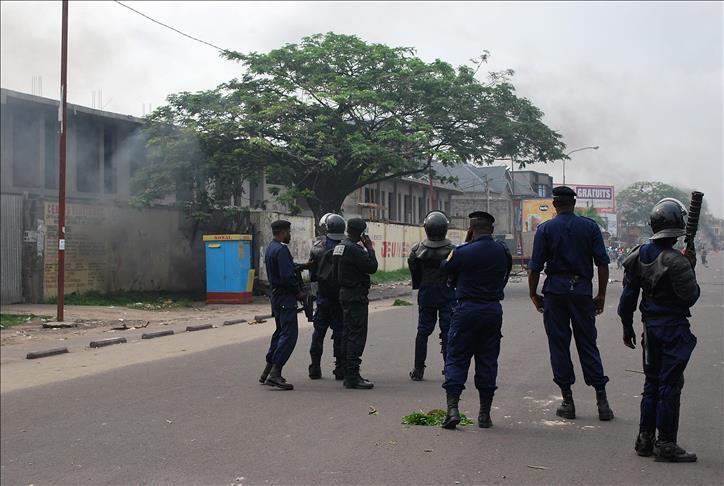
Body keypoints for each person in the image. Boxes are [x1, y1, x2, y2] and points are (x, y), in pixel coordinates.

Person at [618, 198, 699, 462]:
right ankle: (666, 444)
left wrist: (626, 325)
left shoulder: (638, 254)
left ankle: (644, 439)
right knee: (670, 385)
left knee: (651, 383)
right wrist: (691, 267)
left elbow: (627, 298)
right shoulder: (677, 261)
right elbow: (690, 297)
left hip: (649, 329)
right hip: (673, 329)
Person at [528, 186, 614, 421]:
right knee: (588, 343)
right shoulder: (590, 227)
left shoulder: (545, 229)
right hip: (582, 292)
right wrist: (602, 295)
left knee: (559, 345)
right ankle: (602, 401)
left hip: (555, 292)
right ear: (574, 204)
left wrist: (533, 294)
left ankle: (568, 401)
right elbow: (602, 264)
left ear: (555, 204)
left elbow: (535, 267)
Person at [440, 211, 511, 429]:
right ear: (492, 229)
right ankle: (484, 414)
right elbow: (505, 277)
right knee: (487, 360)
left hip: (466, 310)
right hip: (492, 310)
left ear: (471, 229)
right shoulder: (503, 252)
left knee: (457, 357)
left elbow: (445, 269)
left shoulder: (462, 251)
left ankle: (453, 409)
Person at [408, 211, 456, 381]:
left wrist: (420, 285)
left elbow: (415, 276)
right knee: (448, 331)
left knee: (422, 332)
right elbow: (457, 274)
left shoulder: (417, 250)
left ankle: (418, 368)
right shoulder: (453, 250)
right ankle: (449, 368)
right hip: (447, 293)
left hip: (426, 293)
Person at [259, 220, 305, 390]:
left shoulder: (272, 247)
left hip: (276, 297)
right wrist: (298, 292)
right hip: (286, 297)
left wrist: (302, 266)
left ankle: (267, 370)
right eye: (289, 232)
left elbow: (285, 269)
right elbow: (286, 276)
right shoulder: (282, 249)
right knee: (289, 334)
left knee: (279, 332)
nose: (289, 235)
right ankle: (275, 374)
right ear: (284, 232)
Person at [334, 218, 378, 389]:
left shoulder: (340, 246)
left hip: (344, 293)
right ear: (361, 233)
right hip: (355, 295)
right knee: (357, 335)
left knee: (347, 333)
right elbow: (372, 267)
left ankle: (346, 371)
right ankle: (352, 375)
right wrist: (370, 249)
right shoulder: (354, 248)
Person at [308, 214, 347, 380]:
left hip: (323, 298)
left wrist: (314, 296)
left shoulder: (319, 246)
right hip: (341, 298)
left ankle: (315, 367)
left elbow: (312, 275)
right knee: (340, 332)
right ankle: (340, 367)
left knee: (319, 333)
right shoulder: (348, 245)